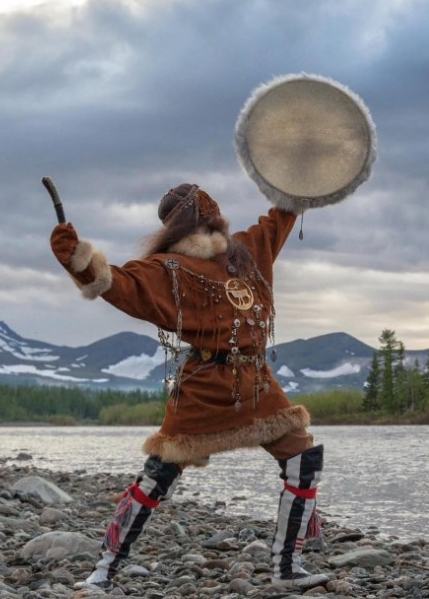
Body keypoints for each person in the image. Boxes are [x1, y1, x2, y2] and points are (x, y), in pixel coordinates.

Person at [49, 183, 328, 591]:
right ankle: (103, 570)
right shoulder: (167, 269)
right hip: (203, 388)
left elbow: (281, 215)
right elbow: (117, 283)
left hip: (254, 384)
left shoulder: (245, 252)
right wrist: (78, 258)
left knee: (302, 459)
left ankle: (287, 567)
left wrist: (300, 177)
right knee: (158, 475)